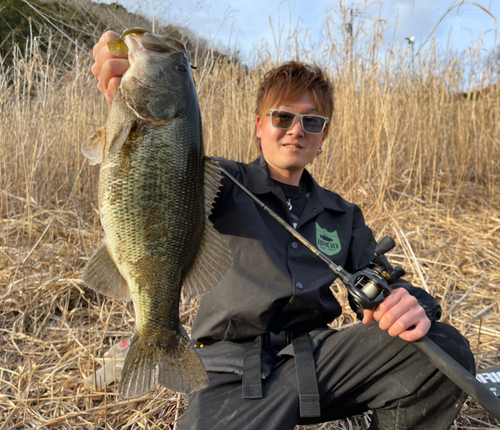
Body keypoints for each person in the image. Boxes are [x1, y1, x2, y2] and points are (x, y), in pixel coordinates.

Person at [91, 31, 475, 430]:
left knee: (444, 350)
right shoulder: (218, 181)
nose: (297, 129)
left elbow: (378, 278)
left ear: (323, 135)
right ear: (259, 125)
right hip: (232, 371)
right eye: (283, 117)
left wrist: (408, 304)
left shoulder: (344, 214)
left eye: (312, 121)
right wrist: (127, 96)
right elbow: (162, 170)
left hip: (321, 363)